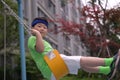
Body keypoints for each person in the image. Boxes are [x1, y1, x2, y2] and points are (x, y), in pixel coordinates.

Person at [28, 17, 120, 80]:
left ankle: (106, 70)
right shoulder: (33, 39)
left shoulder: (41, 40)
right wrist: (38, 34)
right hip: (50, 66)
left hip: (52, 69)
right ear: (32, 28)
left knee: (82, 65)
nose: (42, 29)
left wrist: (39, 35)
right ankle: (109, 61)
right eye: (39, 26)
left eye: (45, 27)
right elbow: (40, 49)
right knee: (81, 60)